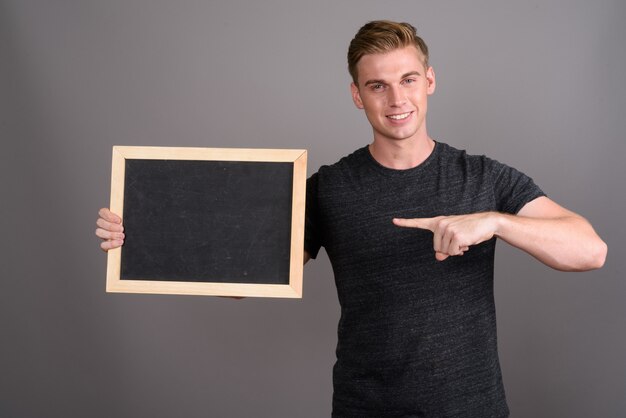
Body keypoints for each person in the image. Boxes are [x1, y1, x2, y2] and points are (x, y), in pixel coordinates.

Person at [96, 20, 607, 418]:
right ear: (356, 95)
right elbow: (243, 277)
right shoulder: (330, 189)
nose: (397, 99)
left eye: (408, 79)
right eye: (377, 85)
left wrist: (495, 222)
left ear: (429, 81)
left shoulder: (484, 178)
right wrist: (140, 235)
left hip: (471, 406)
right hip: (367, 406)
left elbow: (591, 251)